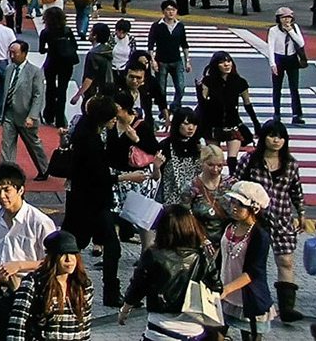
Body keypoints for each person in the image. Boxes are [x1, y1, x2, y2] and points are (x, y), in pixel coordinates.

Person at [235, 120, 306, 322]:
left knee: (286, 260)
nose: (276, 140)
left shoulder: (290, 164)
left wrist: (301, 212)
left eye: (281, 137)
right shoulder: (250, 160)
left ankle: (287, 308)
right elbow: (236, 183)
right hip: (255, 220)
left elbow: (296, 190)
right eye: (272, 135)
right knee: (253, 262)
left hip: (282, 218)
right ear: (264, 137)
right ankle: (249, 299)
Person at [118, 204, 219, 341]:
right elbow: (217, 286)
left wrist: (125, 309)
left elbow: (138, 286)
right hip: (194, 329)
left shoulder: (153, 255)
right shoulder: (202, 256)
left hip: (159, 329)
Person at [0, 164, 56, 341]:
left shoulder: (39, 222)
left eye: (7, 190)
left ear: (20, 189)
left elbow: (53, 261)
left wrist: (20, 265)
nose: (2, 196)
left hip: (27, 291)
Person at [62, 98, 125, 307]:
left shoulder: (87, 132)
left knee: (73, 246)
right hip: (91, 203)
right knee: (74, 247)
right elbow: (97, 175)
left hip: (84, 202)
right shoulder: (88, 139)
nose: (114, 121)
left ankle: (106, 292)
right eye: (112, 118)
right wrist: (125, 178)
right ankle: (106, 293)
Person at [5, 232, 92, 341]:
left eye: (73, 254)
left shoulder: (83, 285)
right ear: (52, 257)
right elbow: (17, 323)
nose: (69, 259)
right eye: (63, 254)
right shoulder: (33, 283)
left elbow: (85, 327)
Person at [217, 180, 273, 341]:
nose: (233, 207)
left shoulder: (259, 236)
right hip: (224, 294)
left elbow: (254, 271)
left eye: (240, 204)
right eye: (233, 202)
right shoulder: (229, 226)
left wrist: (227, 289)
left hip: (247, 298)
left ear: (254, 208)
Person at [0, 41, 50, 179]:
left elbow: (38, 95)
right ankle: (6, 171)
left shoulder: (35, 72)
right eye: (11, 52)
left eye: (15, 53)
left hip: (26, 114)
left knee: (33, 145)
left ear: (24, 53)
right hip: (9, 113)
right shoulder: (9, 69)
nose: (12, 55)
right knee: (6, 144)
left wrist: (32, 116)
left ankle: (44, 168)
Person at [197, 51, 259, 160]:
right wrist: (199, 90)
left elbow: (247, 104)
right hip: (213, 124)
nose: (226, 65)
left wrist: (256, 124)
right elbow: (202, 104)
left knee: (232, 159)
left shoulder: (239, 82)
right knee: (214, 158)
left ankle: (232, 176)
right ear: (216, 65)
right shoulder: (209, 81)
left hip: (232, 123)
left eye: (229, 61)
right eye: (222, 62)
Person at [267, 8, 307, 126]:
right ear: (279, 19)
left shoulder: (294, 28)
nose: (286, 20)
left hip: (292, 58)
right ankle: (277, 113)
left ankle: (297, 114)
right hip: (279, 58)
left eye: (288, 18)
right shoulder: (273, 30)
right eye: (283, 18)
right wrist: (272, 64)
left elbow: (301, 43)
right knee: (277, 88)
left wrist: (290, 31)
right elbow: (270, 47)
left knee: (294, 87)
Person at [39, 5, 79, 122]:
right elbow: (74, 46)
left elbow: (41, 50)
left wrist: (51, 49)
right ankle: (60, 117)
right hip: (67, 63)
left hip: (52, 62)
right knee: (62, 89)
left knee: (50, 88)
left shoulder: (46, 32)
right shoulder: (67, 30)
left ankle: (49, 114)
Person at [148, 1, 190, 110]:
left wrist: (187, 61)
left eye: (173, 10)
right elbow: (151, 44)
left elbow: (184, 44)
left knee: (180, 88)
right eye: (168, 10)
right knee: (161, 89)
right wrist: (153, 60)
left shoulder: (180, 26)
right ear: (163, 11)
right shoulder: (157, 26)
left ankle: (175, 106)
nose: (171, 12)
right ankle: (163, 110)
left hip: (176, 60)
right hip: (161, 61)